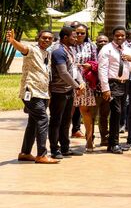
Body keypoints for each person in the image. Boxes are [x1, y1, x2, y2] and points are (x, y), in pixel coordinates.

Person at [7, 29, 59, 163]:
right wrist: (13, 41)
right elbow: (23, 49)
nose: (47, 40)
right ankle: (42, 154)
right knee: (43, 119)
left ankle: (25, 152)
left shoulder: (47, 53)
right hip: (31, 91)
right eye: (44, 38)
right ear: (38, 38)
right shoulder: (32, 49)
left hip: (42, 93)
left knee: (33, 122)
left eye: (49, 38)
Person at [98, 26, 131, 154]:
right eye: (117, 36)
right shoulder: (107, 49)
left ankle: (114, 143)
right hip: (113, 84)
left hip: (124, 84)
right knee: (116, 112)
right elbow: (102, 70)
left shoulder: (128, 50)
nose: (120, 38)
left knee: (120, 114)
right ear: (113, 36)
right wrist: (105, 88)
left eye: (122, 35)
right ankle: (113, 143)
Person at [49, 25, 84, 159]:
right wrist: (76, 86)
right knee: (56, 121)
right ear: (65, 38)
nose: (77, 39)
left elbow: (74, 68)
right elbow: (63, 73)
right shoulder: (58, 51)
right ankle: (54, 149)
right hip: (59, 91)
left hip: (68, 90)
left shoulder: (69, 49)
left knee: (66, 120)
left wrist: (80, 82)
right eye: (74, 37)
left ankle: (65, 147)